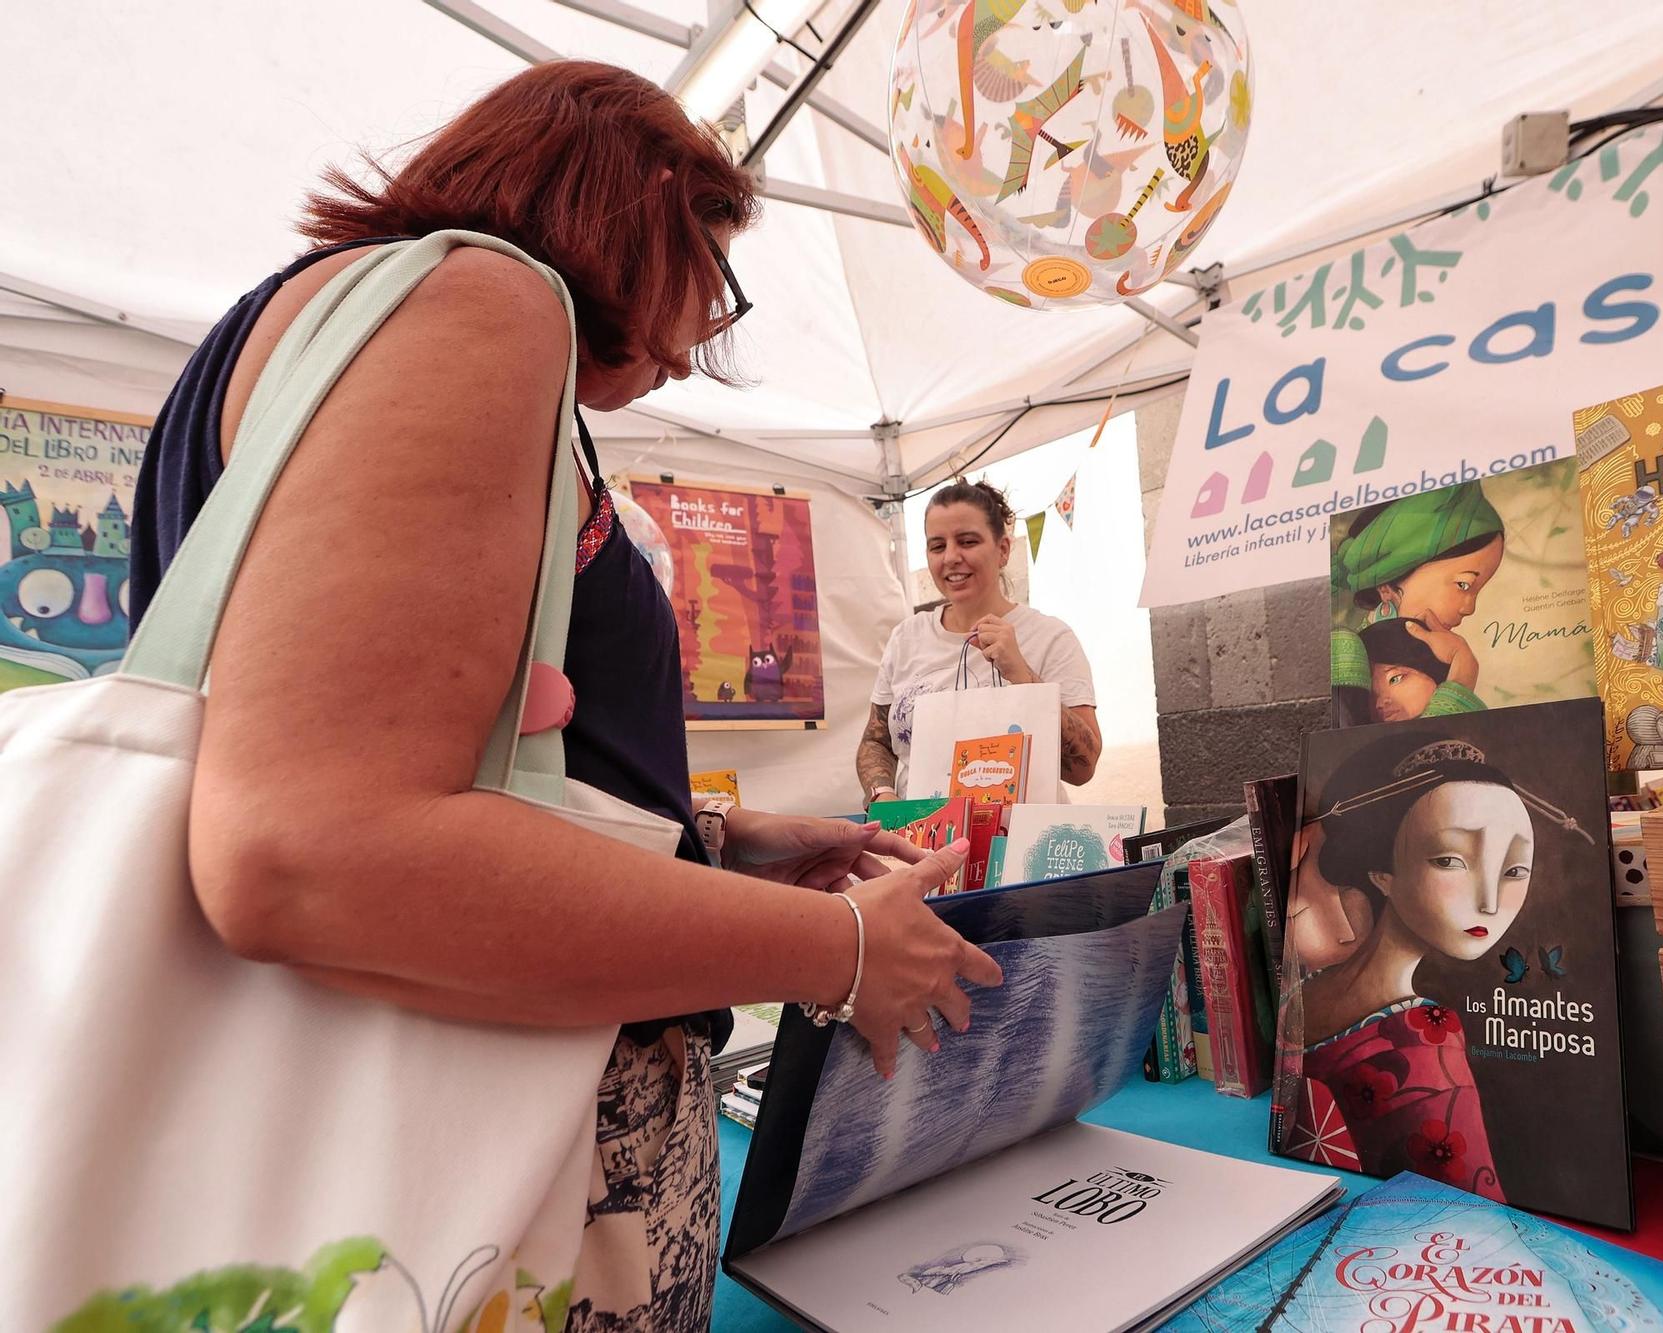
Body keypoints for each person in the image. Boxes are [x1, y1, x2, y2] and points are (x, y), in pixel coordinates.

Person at [126, 62, 1000, 1331]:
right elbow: (309, 850)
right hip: (495, 1174)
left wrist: (708, 845)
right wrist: (843, 947)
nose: (700, 346)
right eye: (718, 281)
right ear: (648, 200)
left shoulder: (294, 329)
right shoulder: (481, 302)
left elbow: (414, 766)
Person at [1283, 735, 1592, 1197]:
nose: (1488, 903)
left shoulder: (1302, 990)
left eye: (1513, 871)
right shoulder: (1423, 1040)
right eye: (1451, 860)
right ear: (1381, 872)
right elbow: (1471, 1219)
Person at [857, 479, 1101, 805]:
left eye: (967, 541)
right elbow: (876, 741)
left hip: (1019, 845)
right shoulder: (906, 638)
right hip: (924, 843)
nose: (952, 557)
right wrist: (881, 793)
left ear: (1003, 549)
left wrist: (1024, 677)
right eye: (937, 546)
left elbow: (1083, 768)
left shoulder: (1050, 638)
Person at [1327, 484, 1504, 726]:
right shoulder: (1345, 653)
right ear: (1387, 585)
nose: (1469, 608)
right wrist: (1463, 670)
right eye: (1463, 585)